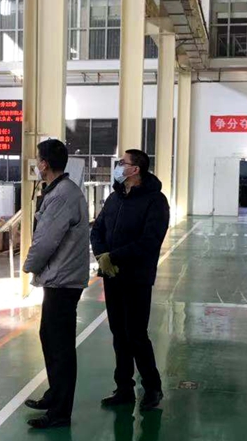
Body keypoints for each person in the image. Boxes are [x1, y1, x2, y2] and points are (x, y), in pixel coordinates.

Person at [90, 149, 169, 412]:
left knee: (136, 335)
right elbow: (97, 229)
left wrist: (113, 257)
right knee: (118, 334)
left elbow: (150, 241)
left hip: (136, 278)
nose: (118, 166)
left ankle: (152, 387)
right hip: (112, 275)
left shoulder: (155, 201)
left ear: (135, 169)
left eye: (122, 163)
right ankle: (123, 387)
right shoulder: (115, 198)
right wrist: (102, 255)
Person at [22, 139, 90, 429]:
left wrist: (29, 266)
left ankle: (60, 412)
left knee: (60, 346)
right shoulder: (60, 190)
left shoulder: (62, 195)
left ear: (44, 164)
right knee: (49, 337)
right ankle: (54, 395)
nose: (36, 164)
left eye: (38, 159)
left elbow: (46, 239)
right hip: (60, 278)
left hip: (63, 280)